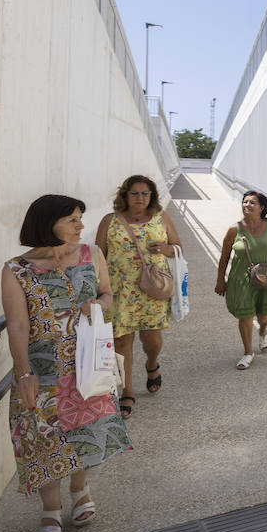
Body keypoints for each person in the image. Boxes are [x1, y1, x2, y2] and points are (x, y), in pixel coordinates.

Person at [2, 195, 133, 532]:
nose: (80, 226)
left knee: (87, 430)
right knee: (45, 436)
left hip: (87, 359)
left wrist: (97, 305)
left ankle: (80, 488)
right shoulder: (17, 269)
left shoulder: (92, 255)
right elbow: (17, 325)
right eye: (72, 219)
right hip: (42, 368)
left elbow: (108, 295)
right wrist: (24, 372)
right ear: (49, 223)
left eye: (80, 219)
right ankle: (50, 508)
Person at [96, 175, 184, 419]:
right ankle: (127, 389)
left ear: (152, 197)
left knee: (152, 340)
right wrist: (98, 287)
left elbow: (178, 247)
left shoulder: (161, 218)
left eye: (145, 194)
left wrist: (166, 249)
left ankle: (152, 363)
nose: (140, 198)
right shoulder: (109, 221)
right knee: (122, 342)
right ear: (125, 195)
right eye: (135, 193)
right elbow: (99, 256)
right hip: (119, 291)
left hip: (152, 290)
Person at [215, 190, 267, 369]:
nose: (247, 205)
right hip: (241, 278)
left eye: (252, 202)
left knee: (264, 316)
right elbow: (224, 257)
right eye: (245, 202)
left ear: (262, 207)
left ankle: (263, 330)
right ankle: (248, 353)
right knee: (245, 316)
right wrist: (220, 280)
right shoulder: (234, 229)